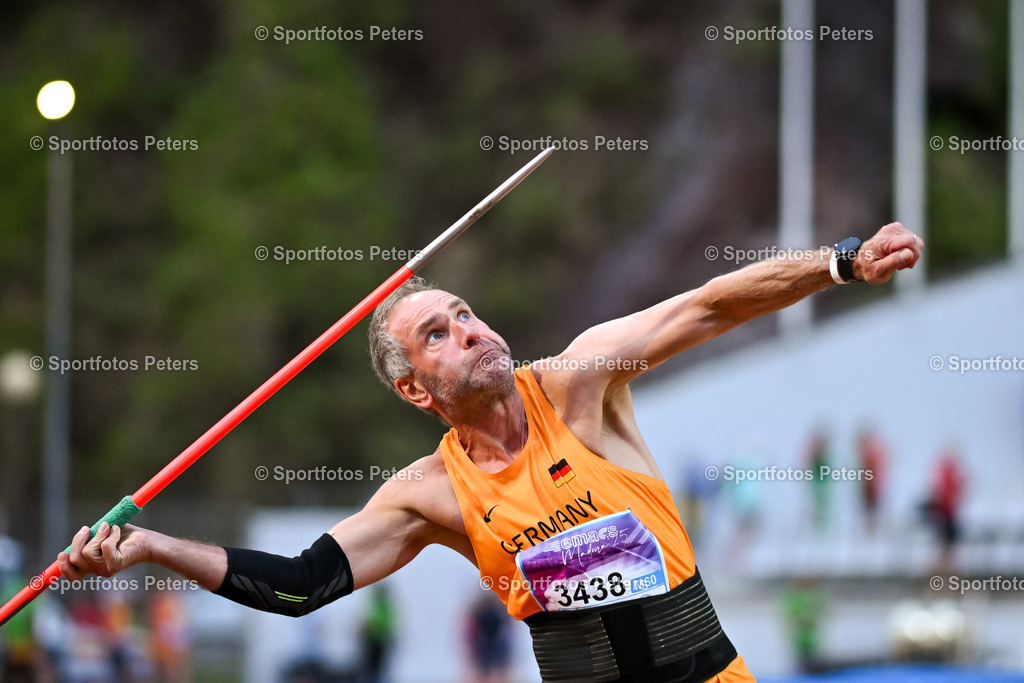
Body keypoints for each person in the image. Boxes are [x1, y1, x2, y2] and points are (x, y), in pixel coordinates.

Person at [57, 223, 923, 682]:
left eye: (465, 312)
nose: (468, 331)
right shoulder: (428, 493)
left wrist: (840, 262)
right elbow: (297, 584)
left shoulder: (578, 384)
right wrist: (150, 546)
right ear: (414, 389)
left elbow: (706, 306)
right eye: (438, 334)